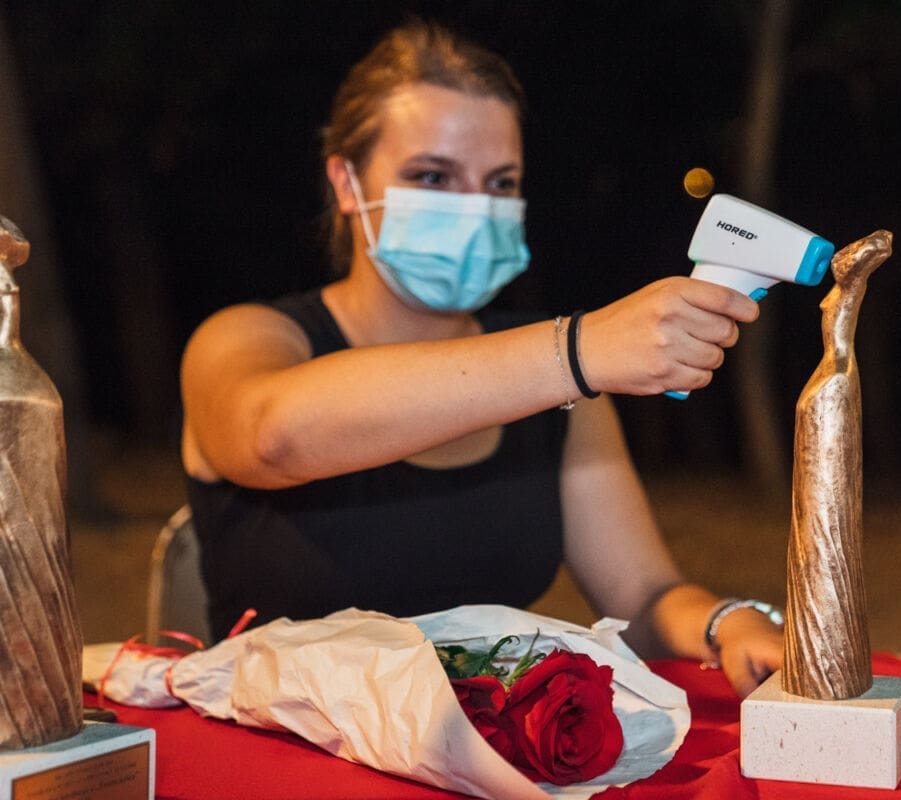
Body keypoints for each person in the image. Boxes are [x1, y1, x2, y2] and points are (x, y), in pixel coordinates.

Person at [179, 18, 783, 697]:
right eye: (433, 176)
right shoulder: (247, 338)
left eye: (499, 183)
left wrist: (728, 623)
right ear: (347, 182)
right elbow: (272, 438)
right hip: (271, 740)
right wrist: (580, 349)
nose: (473, 209)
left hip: (480, 743)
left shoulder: (562, 388)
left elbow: (644, 598)